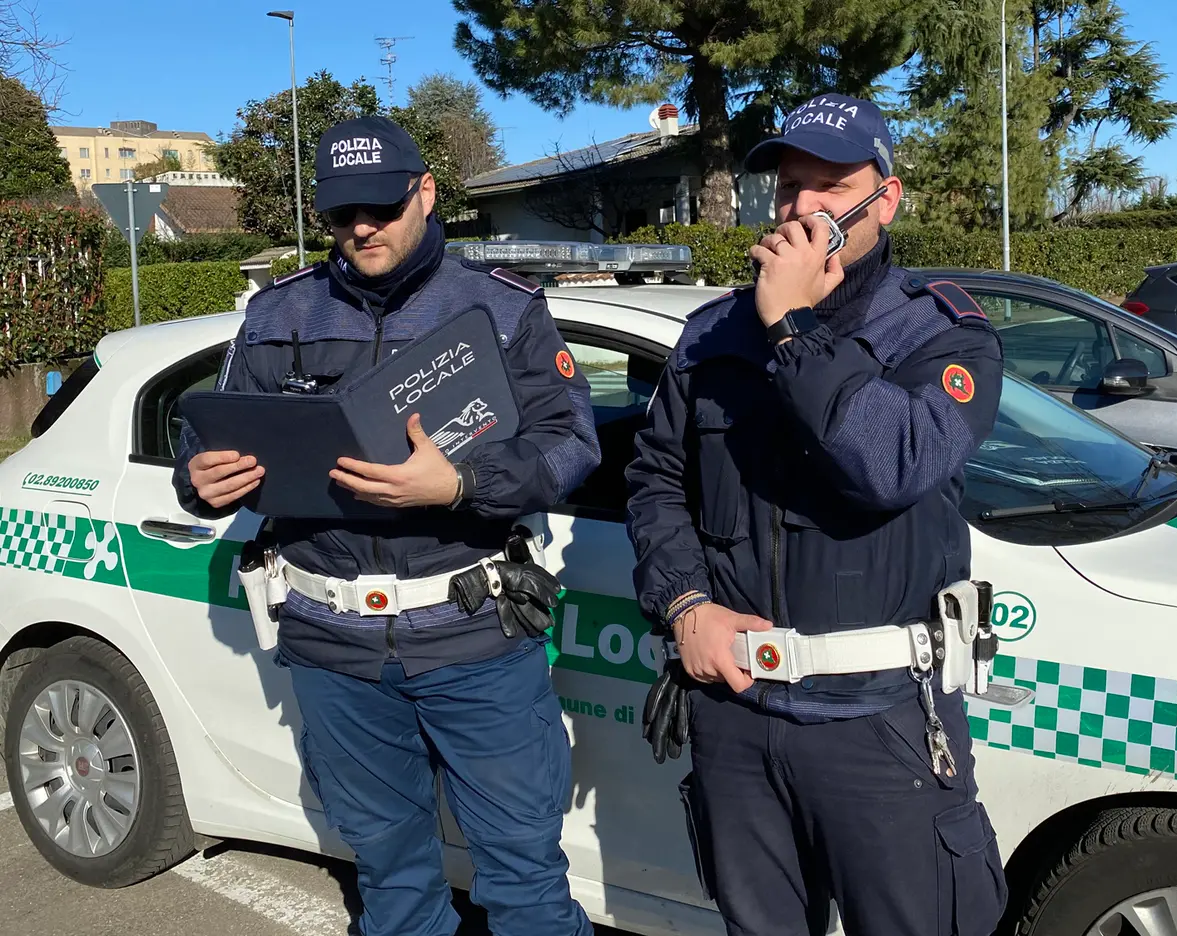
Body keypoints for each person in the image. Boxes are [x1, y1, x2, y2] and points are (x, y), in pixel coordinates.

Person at [171, 115, 598, 936]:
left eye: (379, 207)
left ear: (425, 193)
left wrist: (464, 483)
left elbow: (570, 446)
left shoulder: (503, 310)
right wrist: (202, 485)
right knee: (394, 885)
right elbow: (207, 446)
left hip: (476, 641)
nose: (361, 227)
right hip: (334, 648)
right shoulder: (275, 315)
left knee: (525, 886)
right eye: (341, 214)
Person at [624, 93, 1009, 936]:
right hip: (736, 713)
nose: (802, 207)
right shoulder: (712, 334)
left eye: (831, 186)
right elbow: (656, 480)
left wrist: (794, 326)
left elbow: (895, 462)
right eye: (790, 186)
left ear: (887, 198)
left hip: (880, 720)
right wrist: (684, 602)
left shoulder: (940, 333)